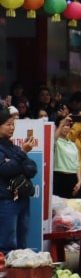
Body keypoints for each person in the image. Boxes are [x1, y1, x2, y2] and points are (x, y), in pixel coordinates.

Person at [0, 107, 37, 254]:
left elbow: (32, 168)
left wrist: (17, 160)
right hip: (6, 200)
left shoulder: (14, 147)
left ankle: (21, 276)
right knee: (7, 243)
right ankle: (6, 276)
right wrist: (22, 155)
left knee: (22, 244)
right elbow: (5, 169)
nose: (12, 127)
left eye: (13, 124)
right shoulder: (15, 149)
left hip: (22, 199)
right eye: (8, 124)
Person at [52, 116, 81, 198]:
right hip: (60, 177)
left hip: (73, 178)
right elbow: (53, 139)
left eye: (68, 125)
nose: (66, 128)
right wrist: (62, 123)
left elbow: (77, 163)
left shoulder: (72, 144)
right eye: (63, 125)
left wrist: (79, 181)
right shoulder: (56, 141)